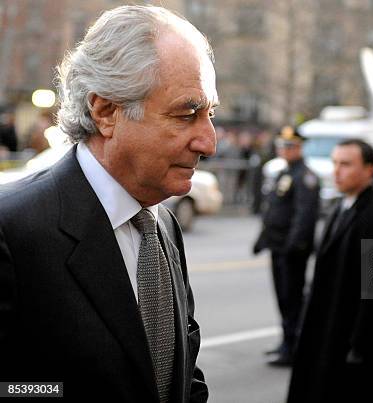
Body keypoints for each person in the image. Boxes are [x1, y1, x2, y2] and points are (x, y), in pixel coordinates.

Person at [0, 6, 217, 402]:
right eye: (187, 114)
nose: (209, 141)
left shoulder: (163, 225)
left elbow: (182, 377)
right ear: (106, 112)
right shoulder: (12, 229)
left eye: (210, 113)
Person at [287, 139, 373, 403]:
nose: (336, 171)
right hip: (328, 329)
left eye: (345, 164)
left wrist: (360, 346)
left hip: (353, 342)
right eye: (334, 163)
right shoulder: (340, 208)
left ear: (368, 169)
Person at [253, 126, 319, 366]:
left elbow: (304, 215)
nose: (284, 150)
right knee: (283, 298)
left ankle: (294, 346)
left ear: (299, 148)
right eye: (282, 146)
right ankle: (286, 341)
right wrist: (262, 239)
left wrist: (293, 246)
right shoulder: (285, 173)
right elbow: (274, 209)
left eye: (289, 146)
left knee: (292, 299)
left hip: (292, 251)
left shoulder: (305, 176)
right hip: (278, 246)